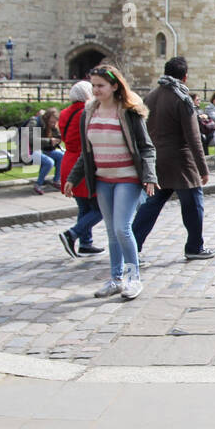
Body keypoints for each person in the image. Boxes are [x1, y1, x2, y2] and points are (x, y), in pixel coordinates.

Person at [65, 65, 157, 300]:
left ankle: (134, 277)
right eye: (93, 85)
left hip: (128, 178)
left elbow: (146, 148)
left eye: (100, 86)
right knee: (111, 232)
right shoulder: (89, 113)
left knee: (122, 228)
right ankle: (116, 279)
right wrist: (73, 179)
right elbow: (88, 152)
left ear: (115, 86)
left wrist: (149, 177)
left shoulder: (128, 112)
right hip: (103, 179)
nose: (95, 90)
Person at [131, 57, 215, 261]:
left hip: (156, 158)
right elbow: (193, 137)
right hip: (181, 160)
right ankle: (195, 246)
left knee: (151, 206)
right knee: (193, 204)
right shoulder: (182, 97)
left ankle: (132, 246)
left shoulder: (151, 96)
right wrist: (203, 168)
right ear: (185, 76)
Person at [56, 80, 103, 257]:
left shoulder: (64, 113)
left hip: (68, 160)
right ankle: (73, 234)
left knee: (84, 207)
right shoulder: (87, 112)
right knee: (99, 209)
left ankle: (86, 243)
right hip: (82, 162)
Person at [30, 107, 64, 195]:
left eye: (55, 122)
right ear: (46, 119)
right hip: (29, 151)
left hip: (43, 150)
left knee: (62, 155)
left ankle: (56, 180)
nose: (53, 124)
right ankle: (38, 184)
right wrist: (49, 141)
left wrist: (58, 138)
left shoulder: (52, 126)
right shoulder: (34, 122)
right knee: (49, 162)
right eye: (51, 122)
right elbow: (30, 139)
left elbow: (58, 137)